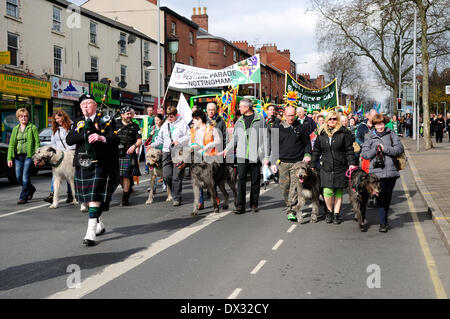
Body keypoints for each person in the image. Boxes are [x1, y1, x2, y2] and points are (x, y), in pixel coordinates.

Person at [66, 94, 120, 246]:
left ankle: (90, 233)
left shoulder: (105, 120)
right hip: (83, 163)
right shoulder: (78, 121)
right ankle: (99, 225)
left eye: (88, 103)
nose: (85, 106)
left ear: (95, 105)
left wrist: (101, 137)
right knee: (88, 200)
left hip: (100, 163)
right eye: (83, 104)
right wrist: (85, 133)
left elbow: (115, 139)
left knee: (94, 197)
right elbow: (69, 140)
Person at [223, 98, 270, 214]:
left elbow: (266, 138)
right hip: (242, 155)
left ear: (247, 107)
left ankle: (254, 204)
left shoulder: (260, 119)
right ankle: (240, 206)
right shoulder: (239, 121)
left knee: (255, 180)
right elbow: (235, 138)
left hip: (255, 154)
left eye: (240, 106)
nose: (239, 108)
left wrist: (266, 156)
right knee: (241, 180)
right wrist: (227, 148)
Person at [310, 111, 357, 224]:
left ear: (338, 120)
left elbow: (349, 150)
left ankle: (336, 214)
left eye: (334, 119)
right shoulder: (321, 133)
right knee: (327, 191)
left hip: (340, 166)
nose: (332, 121)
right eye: (330, 119)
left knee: (338, 191)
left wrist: (351, 163)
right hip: (326, 166)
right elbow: (316, 150)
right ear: (327, 120)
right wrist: (312, 164)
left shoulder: (344, 132)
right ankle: (329, 212)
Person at [361, 114, 404, 232]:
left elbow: (399, 149)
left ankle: (384, 219)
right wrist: (375, 150)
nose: (380, 127)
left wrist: (385, 149)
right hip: (376, 174)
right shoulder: (369, 136)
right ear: (374, 125)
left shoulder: (391, 134)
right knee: (380, 198)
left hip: (391, 172)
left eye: (382, 124)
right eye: (377, 124)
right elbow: (364, 154)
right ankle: (383, 223)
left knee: (388, 197)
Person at [276, 106, 312, 222]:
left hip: (297, 163)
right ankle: (290, 205)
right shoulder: (278, 128)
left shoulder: (302, 128)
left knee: (294, 188)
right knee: (284, 188)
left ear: (295, 114)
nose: (291, 118)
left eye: (293, 115)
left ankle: (291, 210)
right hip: (283, 162)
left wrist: (307, 154)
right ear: (284, 115)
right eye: (289, 115)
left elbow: (307, 144)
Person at [150, 105, 190, 206]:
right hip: (167, 151)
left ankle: (177, 197)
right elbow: (160, 139)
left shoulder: (182, 123)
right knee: (167, 176)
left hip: (178, 151)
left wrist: (179, 141)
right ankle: (173, 191)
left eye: (171, 116)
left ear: (176, 115)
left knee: (176, 176)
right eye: (168, 116)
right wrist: (151, 145)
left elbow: (189, 136)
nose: (169, 118)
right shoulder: (165, 125)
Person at [7, 108, 40, 204]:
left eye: (25, 116)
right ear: (18, 118)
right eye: (21, 116)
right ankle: (31, 188)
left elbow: (37, 142)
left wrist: (37, 156)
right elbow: (11, 144)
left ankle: (23, 197)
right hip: (18, 156)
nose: (23, 118)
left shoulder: (32, 127)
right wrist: (9, 158)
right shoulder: (15, 129)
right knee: (18, 176)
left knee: (25, 176)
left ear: (28, 117)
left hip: (29, 156)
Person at [44, 110, 76, 204]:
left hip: (69, 153)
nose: (57, 120)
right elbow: (53, 143)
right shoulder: (55, 129)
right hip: (59, 155)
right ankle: (52, 194)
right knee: (56, 175)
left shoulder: (71, 126)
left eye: (59, 118)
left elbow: (73, 139)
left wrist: (70, 150)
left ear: (63, 117)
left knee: (69, 175)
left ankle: (70, 194)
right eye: (56, 119)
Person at [115, 106, 142, 206]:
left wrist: (134, 146)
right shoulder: (115, 124)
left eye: (130, 114)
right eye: (127, 114)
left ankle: (125, 199)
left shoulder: (135, 126)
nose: (129, 116)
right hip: (116, 153)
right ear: (122, 115)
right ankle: (127, 189)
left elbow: (139, 140)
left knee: (125, 176)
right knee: (118, 176)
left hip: (127, 153)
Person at [145, 114, 165, 193]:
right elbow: (147, 139)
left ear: (161, 120)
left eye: (158, 120)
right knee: (153, 169)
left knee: (163, 168)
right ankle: (153, 187)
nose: (156, 122)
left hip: (162, 151)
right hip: (154, 151)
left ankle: (165, 185)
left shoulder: (164, 128)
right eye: (155, 120)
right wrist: (150, 134)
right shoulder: (152, 128)